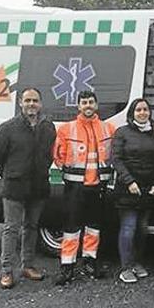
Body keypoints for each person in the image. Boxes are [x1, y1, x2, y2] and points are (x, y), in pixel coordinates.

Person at [0, 88, 56, 289]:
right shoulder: (8, 128)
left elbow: (50, 154)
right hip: (14, 186)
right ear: (20, 103)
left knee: (32, 227)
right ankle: (7, 271)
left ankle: (28, 265)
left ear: (41, 104)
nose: (31, 104)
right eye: (27, 100)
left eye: (35, 100)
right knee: (11, 228)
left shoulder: (48, 127)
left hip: (38, 186)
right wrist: (9, 174)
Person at [53, 90, 116, 285]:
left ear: (96, 106)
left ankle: (90, 262)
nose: (88, 106)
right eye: (84, 103)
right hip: (75, 187)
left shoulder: (109, 129)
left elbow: (113, 156)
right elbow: (57, 156)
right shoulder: (66, 129)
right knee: (71, 228)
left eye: (91, 102)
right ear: (78, 106)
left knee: (94, 227)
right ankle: (67, 266)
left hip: (98, 187)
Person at [111, 98, 154, 284]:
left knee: (142, 229)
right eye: (138, 110)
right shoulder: (122, 133)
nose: (142, 113)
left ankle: (137, 263)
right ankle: (126, 267)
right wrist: (129, 182)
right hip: (128, 189)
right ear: (132, 113)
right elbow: (116, 160)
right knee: (128, 228)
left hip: (148, 190)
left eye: (145, 109)